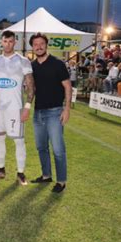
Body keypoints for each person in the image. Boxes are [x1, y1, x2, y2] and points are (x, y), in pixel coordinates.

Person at [0, 30, 34, 186]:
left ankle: (20, 173)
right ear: (1, 42)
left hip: (15, 108)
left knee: (19, 141)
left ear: (15, 42)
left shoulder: (23, 61)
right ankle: (1, 169)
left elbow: (31, 86)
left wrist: (27, 107)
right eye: (5, 41)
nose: (7, 44)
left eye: (10, 41)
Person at [29, 33, 71, 193]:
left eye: (41, 44)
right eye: (35, 44)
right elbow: (31, 88)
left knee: (58, 149)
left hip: (55, 112)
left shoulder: (57, 64)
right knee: (41, 147)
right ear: (32, 47)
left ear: (46, 45)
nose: (38, 47)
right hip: (38, 112)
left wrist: (67, 109)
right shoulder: (32, 66)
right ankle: (46, 175)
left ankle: (61, 181)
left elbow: (67, 86)